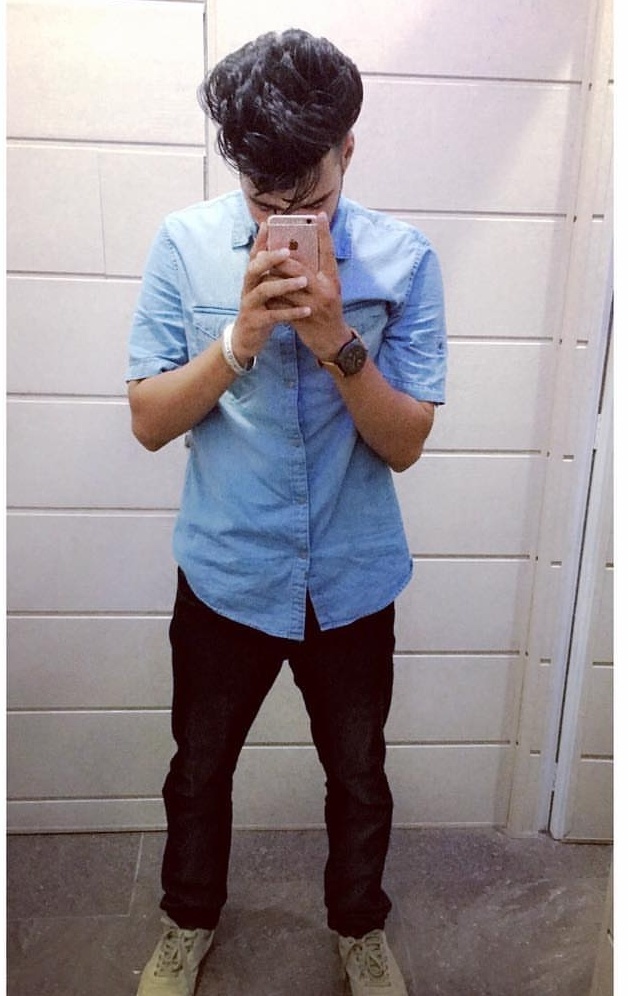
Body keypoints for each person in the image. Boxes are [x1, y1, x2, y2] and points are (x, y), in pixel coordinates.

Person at [127, 28, 447, 996]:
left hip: (352, 574)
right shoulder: (184, 245)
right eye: (264, 203)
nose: (283, 220)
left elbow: (404, 442)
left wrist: (336, 339)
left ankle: (359, 928)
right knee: (198, 771)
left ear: (347, 150)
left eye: (307, 202)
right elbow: (149, 422)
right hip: (227, 569)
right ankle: (187, 921)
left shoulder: (405, 259)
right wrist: (239, 339)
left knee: (358, 775)